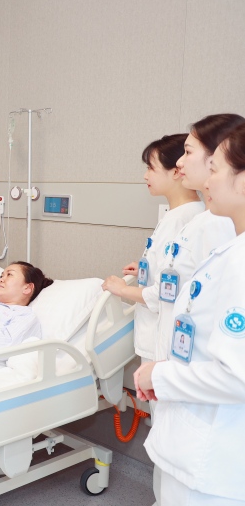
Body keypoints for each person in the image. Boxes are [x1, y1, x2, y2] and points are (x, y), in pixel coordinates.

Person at [135, 122, 245, 505]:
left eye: (215, 168)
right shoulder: (223, 241)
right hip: (192, 427)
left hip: (212, 451)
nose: (206, 180)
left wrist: (161, 374)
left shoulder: (233, 251)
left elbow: (236, 374)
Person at [102, 134, 203, 363]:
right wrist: (146, 268)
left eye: (151, 168)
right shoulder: (188, 212)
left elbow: (163, 294)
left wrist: (121, 290)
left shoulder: (179, 219)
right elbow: (176, 269)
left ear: (176, 171)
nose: (145, 175)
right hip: (162, 337)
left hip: (161, 339)